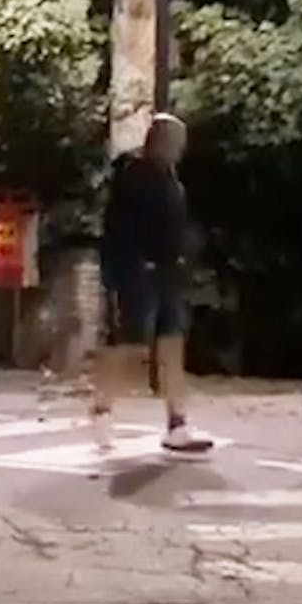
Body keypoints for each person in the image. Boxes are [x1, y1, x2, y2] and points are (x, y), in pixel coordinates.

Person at [93, 113, 212, 456]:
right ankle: (101, 409)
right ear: (159, 140)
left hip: (166, 273)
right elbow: (120, 231)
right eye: (176, 140)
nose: (181, 147)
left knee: (172, 346)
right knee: (131, 347)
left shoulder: (168, 178)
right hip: (139, 274)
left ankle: (177, 423)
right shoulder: (134, 176)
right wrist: (132, 267)